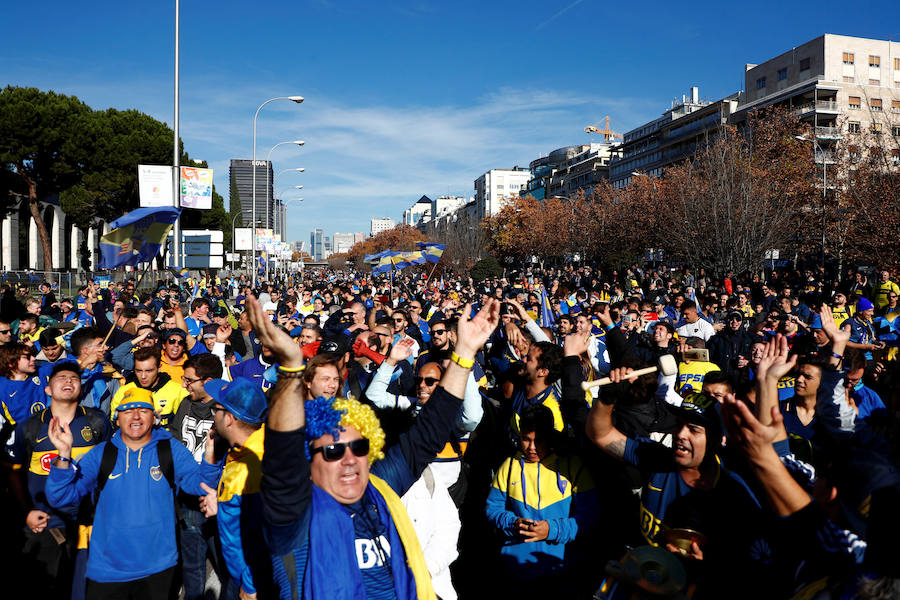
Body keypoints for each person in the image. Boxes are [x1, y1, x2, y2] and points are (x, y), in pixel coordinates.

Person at [251, 294, 500, 599]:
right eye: (333, 451)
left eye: (359, 448)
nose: (350, 459)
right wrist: (291, 369)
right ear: (308, 460)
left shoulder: (379, 488)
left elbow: (428, 434)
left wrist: (464, 354)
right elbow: (280, 455)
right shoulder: (293, 511)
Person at [44, 386, 223, 600]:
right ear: (117, 419)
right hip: (107, 570)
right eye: (127, 410)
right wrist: (64, 456)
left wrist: (211, 457)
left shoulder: (169, 449)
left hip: (158, 567)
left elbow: (201, 484)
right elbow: (60, 497)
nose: (136, 416)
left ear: (154, 416)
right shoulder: (101, 454)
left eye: (143, 410)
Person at [10, 362, 110, 600]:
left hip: (90, 523)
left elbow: (108, 468)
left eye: (74, 378)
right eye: (61, 377)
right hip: (45, 524)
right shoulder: (29, 426)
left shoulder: (97, 422)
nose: (68, 381)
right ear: (47, 389)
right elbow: (14, 475)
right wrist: (25, 512)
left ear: (81, 387)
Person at [485, 404, 597, 597]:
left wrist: (551, 530)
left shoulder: (572, 466)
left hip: (562, 571)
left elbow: (590, 516)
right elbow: (492, 509)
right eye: (526, 439)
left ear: (551, 436)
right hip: (517, 571)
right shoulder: (508, 466)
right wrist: (513, 523)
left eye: (539, 440)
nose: (532, 448)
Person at [200, 377, 274, 599]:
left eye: (217, 409)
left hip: (255, 581)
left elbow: (269, 532)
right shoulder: (244, 449)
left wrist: (251, 585)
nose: (213, 415)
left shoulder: (251, 468)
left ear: (230, 419)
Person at [167, 354, 232, 600]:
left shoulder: (225, 410)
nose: (185, 384)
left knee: (227, 568)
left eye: (190, 380)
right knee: (192, 568)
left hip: (216, 500)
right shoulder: (185, 404)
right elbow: (175, 438)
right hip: (186, 497)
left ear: (209, 381)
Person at [109, 347, 187, 428]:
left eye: (149, 371)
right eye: (139, 370)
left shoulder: (178, 391)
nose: (143, 376)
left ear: (159, 368)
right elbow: (115, 425)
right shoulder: (123, 392)